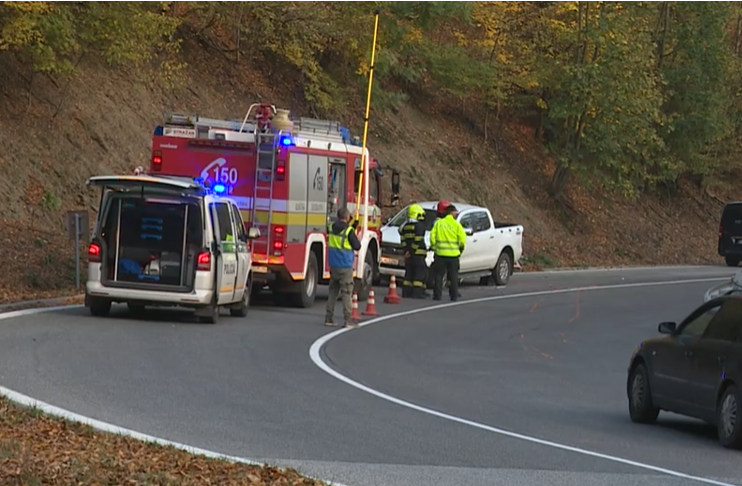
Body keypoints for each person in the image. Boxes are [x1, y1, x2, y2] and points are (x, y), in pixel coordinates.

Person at [325, 207, 362, 328]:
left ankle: (329, 318)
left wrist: (353, 225)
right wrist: (353, 226)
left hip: (333, 264)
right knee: (346, 293)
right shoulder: (349, 231)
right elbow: (357, 246)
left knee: (333, 292)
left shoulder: (331, 227)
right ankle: (348, 320)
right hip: (345, 265)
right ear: (347, 217)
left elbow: (341, 230)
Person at [430, 203, 466, 301]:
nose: (456, 215)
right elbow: (462, 240)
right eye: (455, 213)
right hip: (453, 255)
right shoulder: (456, 225)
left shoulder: (438, 224)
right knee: (453, 276)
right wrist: (460, 249)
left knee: (438, 275)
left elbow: (432, 237)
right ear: (451, 213)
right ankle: (453, 296)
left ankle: (437, 295)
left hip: (440, 254)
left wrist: (434, 247)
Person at [400, 204, 430, 299]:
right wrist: (411, 252)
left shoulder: (406, 227)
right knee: (420, 274)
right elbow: (417, 240)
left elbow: (403, 240)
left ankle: (406, 292)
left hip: (409, 255)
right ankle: (417, 293)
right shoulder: (419, 226)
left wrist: (406, 251)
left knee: (409, 273)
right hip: (418, 254)